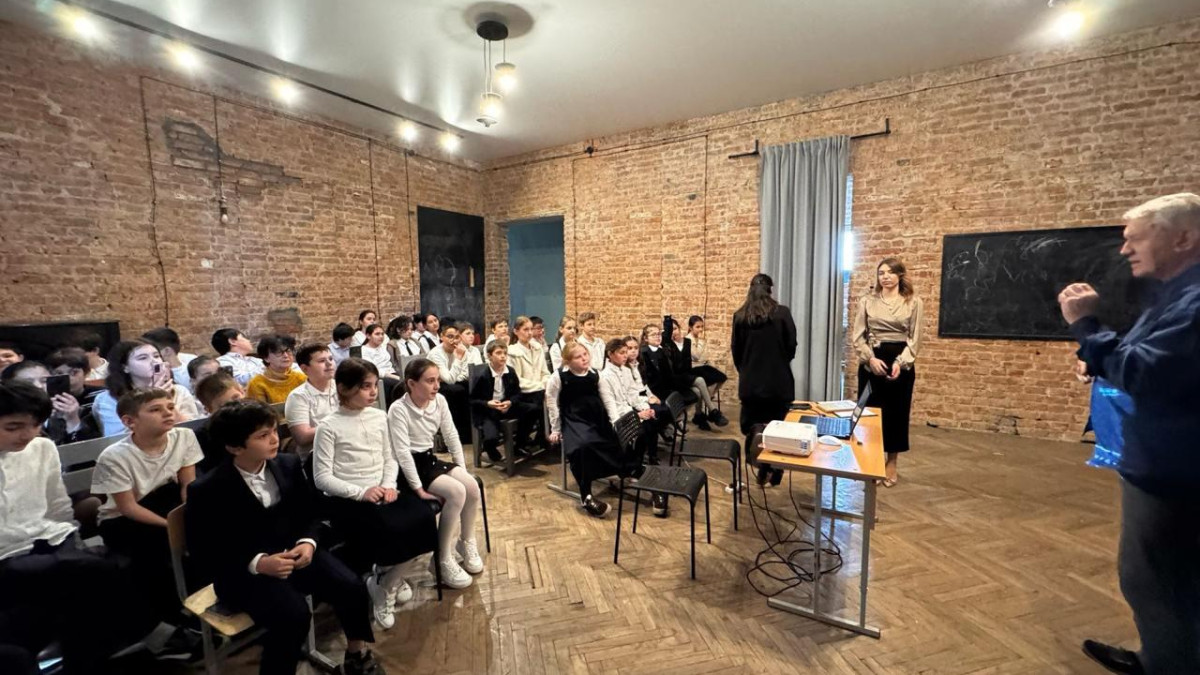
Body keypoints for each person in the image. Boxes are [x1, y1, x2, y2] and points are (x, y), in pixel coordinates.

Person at [1058, 193, 1200, 675]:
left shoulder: (1194, 302)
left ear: (1183, 238)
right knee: (1161, 578)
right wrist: (1098, 361)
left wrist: (1086, 326)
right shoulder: (1173, 293)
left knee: (1156, 580)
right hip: (1162, 462)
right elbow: (1148, 360)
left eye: (1135, 238)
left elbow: (1146, 371)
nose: (1124, 249)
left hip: (1174, 472)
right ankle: (1160, 656)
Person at [186, 400, 386, 675]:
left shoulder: (287, 464)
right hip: (243, 571)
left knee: (350, 585)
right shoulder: (207, 489)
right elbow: (204, 551)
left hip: (293, 553)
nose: (274, 439)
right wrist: (258, 563)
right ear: (234, 447)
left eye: (274, 430)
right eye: (262, 435)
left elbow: (312, 512)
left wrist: (308, 542)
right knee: (293, 616)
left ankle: (357, 654)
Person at [0, 380, 139, 674]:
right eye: (13, 427)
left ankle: (84, 664)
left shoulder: (41, 447)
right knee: (97, 572)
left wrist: (72, 541)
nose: (27, 434)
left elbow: (57, 504)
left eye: (35, 425)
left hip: (48, 540)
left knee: (85, 592)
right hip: (6, 556)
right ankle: (150, 632)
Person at [312, 359, 437, 630]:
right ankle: (386, 578)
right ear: (344, 389)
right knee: (390, 528)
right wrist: (362, 492)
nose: (372, 392)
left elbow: (390, 457)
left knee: (424, 517)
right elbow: (322, 478)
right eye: (365, 386)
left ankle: (386, 581)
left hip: (384, 489)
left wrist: (389, 484)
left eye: (374, 385)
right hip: (349, 498)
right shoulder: (328, 426)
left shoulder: (379, 417)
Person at [92, 388, 202, 625]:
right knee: (157, 551)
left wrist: (189, 515)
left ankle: (204, 600)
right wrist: (172, 525)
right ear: (129, 421)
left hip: (166, 501)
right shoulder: (114, 456)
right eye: (155, 410)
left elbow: (188, 485)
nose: (168, 413)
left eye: (170, 407)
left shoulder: (184, 437)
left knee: (206, 532)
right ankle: (171, 615)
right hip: (124, 519)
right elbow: (128, 507)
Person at [388, 359, 482, 590]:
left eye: (438, 380)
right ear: (412, 384)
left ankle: (465, 541)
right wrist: (418, 488)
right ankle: (441, 557)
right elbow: (402, 453)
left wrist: (461, 468)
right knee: (456, 492)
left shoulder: (439, 401)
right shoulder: (398, 409)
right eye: (430, 381)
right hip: (409, 467)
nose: (437, 385)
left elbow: (451, 435)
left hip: (428, 460)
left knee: (471, 486)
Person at [851, 257, 923, 488]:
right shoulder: (867, 301)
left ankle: (891, 462)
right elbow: (858, 336)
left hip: (900, 363)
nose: (885, 277)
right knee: (870, 414)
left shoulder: (913, 302)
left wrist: (901, 362)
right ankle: (871, 461)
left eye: (890, 272)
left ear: (900, 275)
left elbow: (915, 339)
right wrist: (869, 358)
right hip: (873, 360)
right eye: (881, 273)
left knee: (896, 413)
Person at [546, 342, 632, 518]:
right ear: (568, 361)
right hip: (574, 419)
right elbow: (551, 402)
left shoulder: (595, 374)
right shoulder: (559, 377)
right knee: (582, 447)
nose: (584, 358)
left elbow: (607, 399)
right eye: (578, 357)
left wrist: (615, 420)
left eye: (585, 354)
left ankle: (618, 471)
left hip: (596, 417)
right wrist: (555, 428)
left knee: (614, 440)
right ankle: (586, 495)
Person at [731, 273, 797, 487]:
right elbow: (791, 345)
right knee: (778, 428)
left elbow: (736, 351)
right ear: (770, 290)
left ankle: (760, 468)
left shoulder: (740, 316)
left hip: (751, 383)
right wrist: (779, 362)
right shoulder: (782, 313)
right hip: (779, 382)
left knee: (754, 428)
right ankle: (775, 471)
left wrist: (747, 370)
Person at [598, 338, 667, 516]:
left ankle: (635, 466)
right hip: (619, 419)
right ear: (610, 354)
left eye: (625, 352)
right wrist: (636, 417)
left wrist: (645, 408)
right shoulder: (605, 377)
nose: (626, 355)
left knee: (652, 422)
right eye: (621, 353)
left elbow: (633, 396)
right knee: (644, 429)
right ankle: (633, 468)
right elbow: (612, 407)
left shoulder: (625, 370)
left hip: (630, 412)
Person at [93, 339, 201, 437]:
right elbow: (119, 438)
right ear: (125, 367)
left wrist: (165, 400)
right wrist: (151, 399)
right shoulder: (108, 399)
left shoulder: (179, 391)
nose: (154, 362)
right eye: (143, 358)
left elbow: (191, 429)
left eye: (156, 356)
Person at [1, 360, 99, 445]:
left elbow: (88, 451)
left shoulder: (73, 411)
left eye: (44, 381)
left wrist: (72, 420)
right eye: (28, 382)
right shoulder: (5, 417)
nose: (39, 386)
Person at [469, 342, 527, 463]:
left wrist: (510, 402)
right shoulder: (482, 375)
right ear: (490, 356)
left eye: (505, 353)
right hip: (488, 410)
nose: (503, 356)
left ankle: (519, 445)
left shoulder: (510, 371)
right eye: (498, 353)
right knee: (491, 437)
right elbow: (473, 400)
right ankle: (489, 447)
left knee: (533, 409)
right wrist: (488, 403)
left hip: (505, 406)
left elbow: (518, 393)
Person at [284, 343, 339, 458]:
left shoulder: (341, 387)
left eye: (330, 359)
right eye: (322, 361)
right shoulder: (298, 396)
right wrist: (340, 423)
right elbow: (302, 437)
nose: (329, 364)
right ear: (305, 368)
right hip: (317, 455)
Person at [424, 324, 475, 443]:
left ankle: (471, 432)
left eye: (457, 337)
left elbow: (466, 373)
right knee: (456, 390)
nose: (454, 340)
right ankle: (455, 434)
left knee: (472, 387)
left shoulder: (461, 349)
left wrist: (454, 376)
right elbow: (449, 379)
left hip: (451, 382)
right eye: (450, 337)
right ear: (442, 337)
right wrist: (458, 358)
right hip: (432, 386)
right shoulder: (436, 353)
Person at [507, 316, 551, 445]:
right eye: (525, 329)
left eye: (531, 329)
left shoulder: (537, 348)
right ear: (516, 331)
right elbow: (517, 380)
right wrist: (540, 386)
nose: (530, 333)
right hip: (522, 393)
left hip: (539, 390)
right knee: (538, 404)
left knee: (552, 400)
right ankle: (522, 441)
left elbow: (545, 372)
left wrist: (545, 384)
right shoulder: (512, 352)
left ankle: (543, 437)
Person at [192, 371, 246, 473]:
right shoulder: (203, 438)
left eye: (236, 398)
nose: (235, 408)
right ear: (209, 410)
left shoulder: (261, 419)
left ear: (242, 392)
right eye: (225, 406)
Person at [686, 315, 729, 427]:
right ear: (690, 327)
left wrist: (711, 364)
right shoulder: (688, 339)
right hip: (694, 368)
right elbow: (696, 356)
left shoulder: (699, 339)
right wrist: (701, 342)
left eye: (702, 327)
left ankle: (708, 398)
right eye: (697, 327)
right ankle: (705, 411)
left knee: (721, 377)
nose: (700, 329)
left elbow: (705, 356)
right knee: (704, 383)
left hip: (702, 366)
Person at [246, 335, 307, 404]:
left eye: (288, 351)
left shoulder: (301, 378)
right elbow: (256, 410)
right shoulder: (257, 384)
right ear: (266, 358)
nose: (286, 356)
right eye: (279, 352)